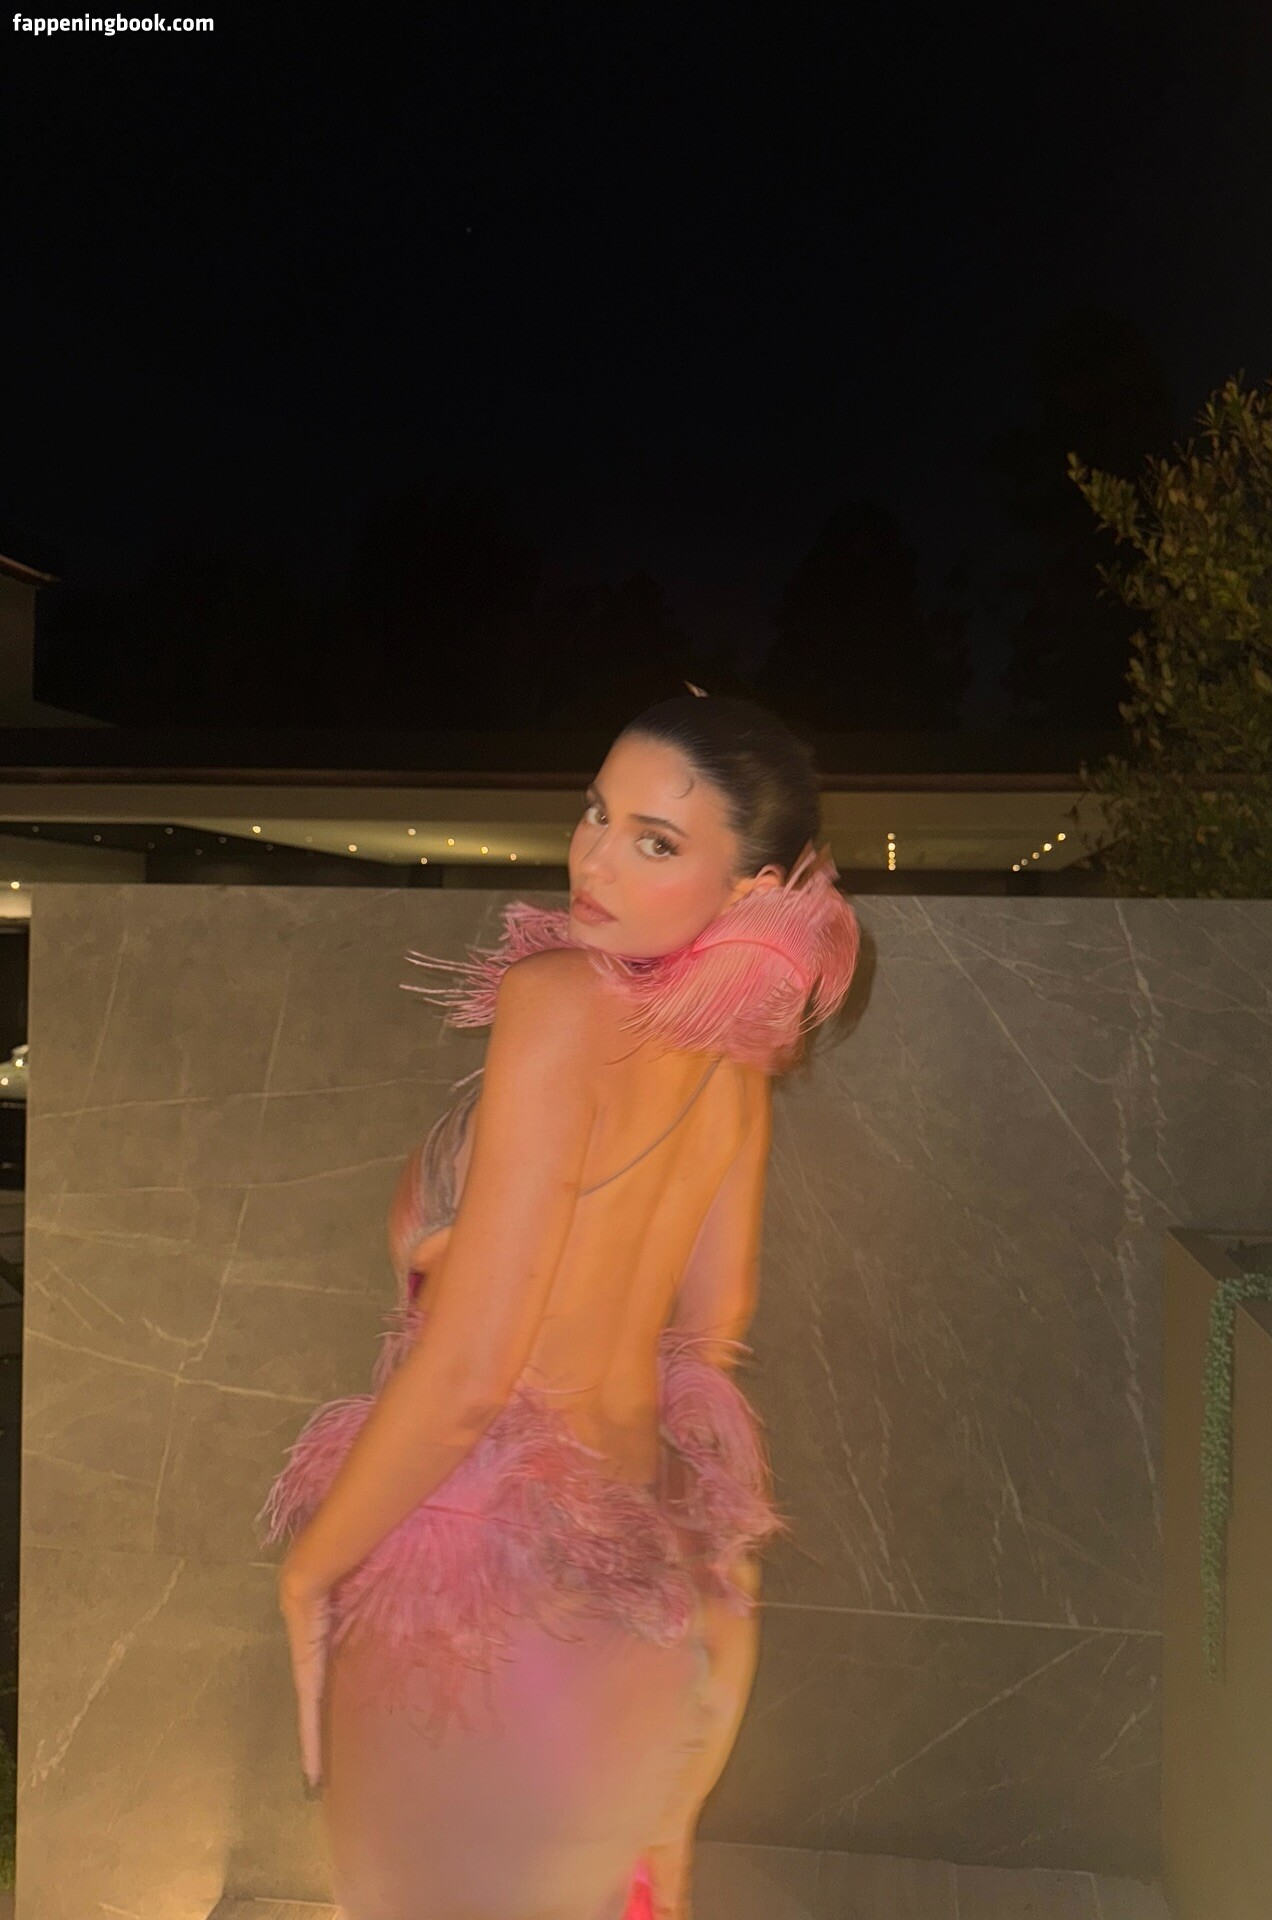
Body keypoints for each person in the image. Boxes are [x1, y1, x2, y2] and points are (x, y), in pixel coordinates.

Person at [257, 688, 861, 1920]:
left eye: (656, 840)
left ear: (750, 889)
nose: (595, 857)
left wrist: (309, 1572)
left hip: (493, 1586)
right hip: (647, 1577)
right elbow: (716, 1323)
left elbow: (472, 1372)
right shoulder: (736, 1057)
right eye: (596, 813)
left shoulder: (556, 998)